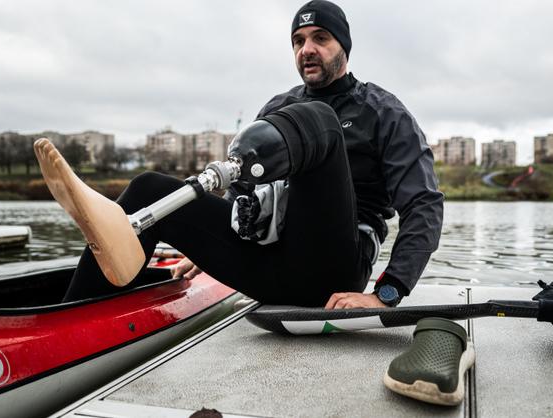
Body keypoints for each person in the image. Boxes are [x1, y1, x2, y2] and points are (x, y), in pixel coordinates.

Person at [44, 0, 443, 309]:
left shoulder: (382, 110)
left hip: (333, 271)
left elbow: (424, 204)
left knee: (316, 120)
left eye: (321, 38)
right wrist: (208, 243)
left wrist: (386, 293)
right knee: (148, 189)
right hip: (270, 264)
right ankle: (74, 314)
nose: (307, 49)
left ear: (344, 47)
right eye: (299, 41)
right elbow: (246, 187)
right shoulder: (276, 108)